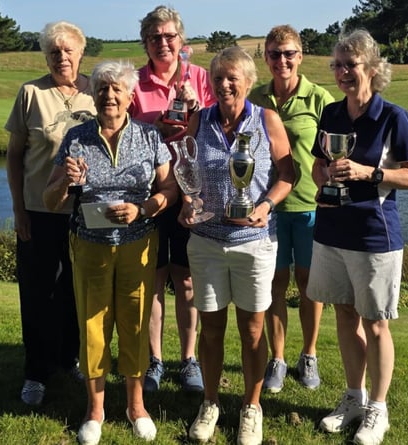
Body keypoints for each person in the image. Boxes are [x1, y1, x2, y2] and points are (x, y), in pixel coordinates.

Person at [42, 59, 179, 444]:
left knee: (135, 324)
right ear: (94, 94)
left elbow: (169, 191)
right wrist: (66, 184)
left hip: (138, 243)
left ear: (130, 95)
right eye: (103, 88)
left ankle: (136, 407)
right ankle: (95, 410)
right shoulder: (77, 138)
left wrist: (144, 208)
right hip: (89, 246)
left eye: (117, 88)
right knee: (93, 326)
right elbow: (50, 199)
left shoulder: (151, 137)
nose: (110, 96)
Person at [307, 29, 408, 445]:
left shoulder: (394, 117)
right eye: (337, 65)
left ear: (372, 69)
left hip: (375, 234)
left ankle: (378, 407)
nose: (341, 72)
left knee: (375, 324)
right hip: (332, 228)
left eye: (350, 65)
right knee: (343, 313)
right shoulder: (332, 114)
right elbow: (318, 167)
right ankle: (353, 397)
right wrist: (326, 175)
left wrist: (368, 173)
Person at [179, 46, 295, 445]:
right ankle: (210, 402)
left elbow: (287, 174)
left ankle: (251, 406)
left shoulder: (267, 120)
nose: (224, 84)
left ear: (247, 82)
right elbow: (186, 173)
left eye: (233, 78)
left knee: (252, 330)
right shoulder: (199, 119)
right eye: (218, 77)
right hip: (207, 242)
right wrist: (186, 202)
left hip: (254, 243)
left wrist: (265, 205)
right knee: (211, 329)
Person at [5, 20, 95, 406]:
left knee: (77, 293)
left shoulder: (96, 90)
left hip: (87, 212)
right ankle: (36, 372)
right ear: (47, 55)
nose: (62, 57)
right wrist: (19, 209)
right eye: (54, 51)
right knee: (39, 293)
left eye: (68, 50)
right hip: (40, 210)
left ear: (80, 53)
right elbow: (13, 156)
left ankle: (68, 358)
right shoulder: (31, 93)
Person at [130, 4, 216, 393]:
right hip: (149, 192)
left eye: (169, 36)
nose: (163, 43)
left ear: (181, 41)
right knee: (153, 278)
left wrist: (196, 113)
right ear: (145, 43)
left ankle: (189, 359)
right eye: (155, 37)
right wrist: (155, 126)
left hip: (193, 193)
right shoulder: (133, 82)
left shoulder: (199, 77)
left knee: (186, 281)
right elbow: (123, 130)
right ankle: (154, 361)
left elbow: (219, 127)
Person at [248, 24, 334, 393]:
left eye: (288, 53)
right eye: (274, 54)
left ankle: (309, 354)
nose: (281, 60)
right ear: (265, 57)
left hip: (310, 205)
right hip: (266, 206)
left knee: (309, 285)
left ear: (300, 56)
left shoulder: (319, 98)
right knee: (274, 285)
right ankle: (278, 358)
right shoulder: (255, 97)